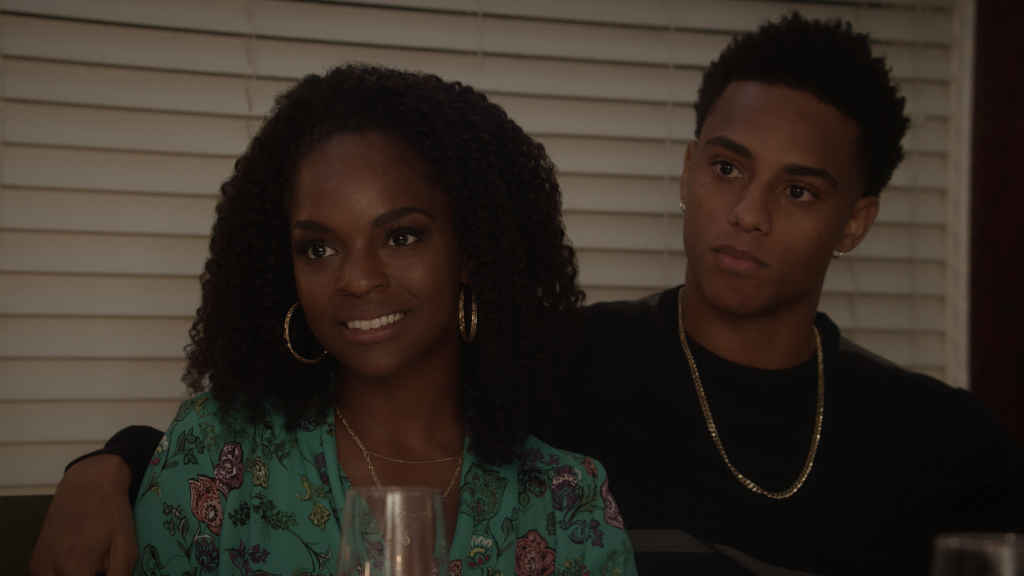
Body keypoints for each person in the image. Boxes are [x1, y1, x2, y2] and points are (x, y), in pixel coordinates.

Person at [30, 14, 1022, 576]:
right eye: (727, 168)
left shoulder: (948, 442)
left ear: (855, 220)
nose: (749, 214)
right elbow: (281, 444)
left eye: (798, 190)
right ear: (687, 170)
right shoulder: (557, 362)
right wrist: (108, 466)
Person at [35, 64, 639, 576]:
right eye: (318, 248)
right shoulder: (215, 454)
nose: (356, 278)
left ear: (471, 250)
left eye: (401, 236)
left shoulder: (565, 499)